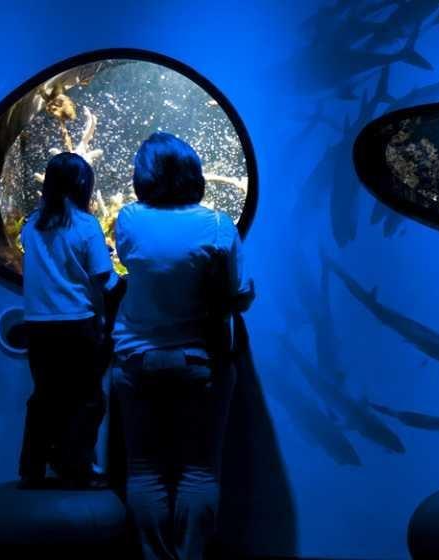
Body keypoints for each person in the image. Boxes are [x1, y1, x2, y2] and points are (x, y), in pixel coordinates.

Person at [112, 132, 253, 560]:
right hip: (199, 361)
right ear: (193, 172)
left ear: (143, 175)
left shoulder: (129, 219)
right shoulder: (216, 225)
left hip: (135, 359)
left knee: (143, 471)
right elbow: (237, 291)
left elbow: (131, 261)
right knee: (198, 471)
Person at [18, 152, 121, 490]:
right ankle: (77, 468)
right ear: (82, 185)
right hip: (77, 323)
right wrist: (106, 315)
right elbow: (101, 278)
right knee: (88, 398)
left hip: (37, 325)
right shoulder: (86, 225)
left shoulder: (31, 224)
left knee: (44, 396)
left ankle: (32, 468)